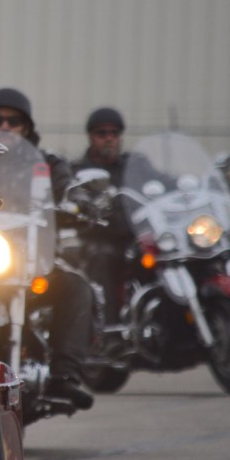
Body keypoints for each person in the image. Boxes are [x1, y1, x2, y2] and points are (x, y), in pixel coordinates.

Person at [0, 87, 95, 411]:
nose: (4, 126)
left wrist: (78, 202)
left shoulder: (48, 162)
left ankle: (64, 377)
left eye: (13, 121)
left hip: (34, 267)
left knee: (76, 287)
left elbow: (68, 187)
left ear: (26, 127)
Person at [71, 107, 132, 325]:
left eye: (114, 133)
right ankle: (108, 330)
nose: (109, 139)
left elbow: (162, 184)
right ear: (90, 137)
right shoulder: (78, 172)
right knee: (101, 257)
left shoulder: (132, 166)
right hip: (95, 240)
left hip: (131, 239)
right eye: (102, 133)